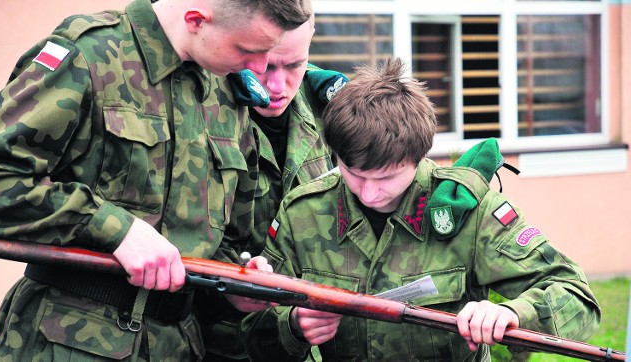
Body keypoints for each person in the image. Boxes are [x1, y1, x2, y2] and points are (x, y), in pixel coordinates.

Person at [0, 0, 311, 360]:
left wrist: (233, 285)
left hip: (177, 346)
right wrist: (116, 230)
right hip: (66, 341)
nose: (261, 68)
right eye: (248, 50)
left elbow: (221, 237)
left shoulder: (226, 91)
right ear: (196, 20)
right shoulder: (90, 55)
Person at [241, 58, 601, 361]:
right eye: (352, 173)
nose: (368, 193)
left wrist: (510, 313)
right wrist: (293, 326)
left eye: (386, 177)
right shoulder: (304, 212)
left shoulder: (467, 211)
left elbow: (576, 296)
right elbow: (253, 333)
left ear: (418, 158)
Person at [200, 14, 347, 361]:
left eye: (295, 65)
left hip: (310, 338)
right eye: (265, 67)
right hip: (219, 339)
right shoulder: (201, 109)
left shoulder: (331, 108)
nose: (278, 85)